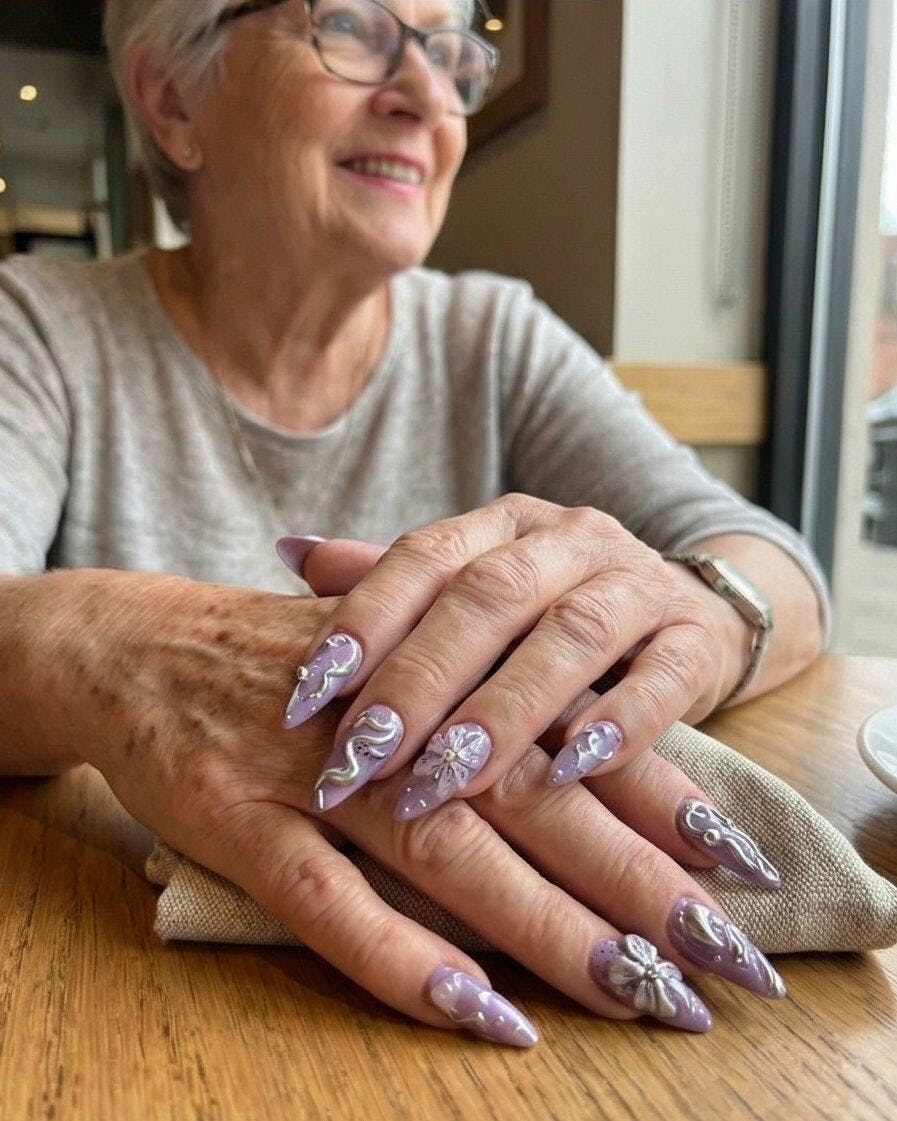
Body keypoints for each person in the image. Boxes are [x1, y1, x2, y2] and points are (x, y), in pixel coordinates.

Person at [0, 0, 827, 1046]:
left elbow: (772, 564)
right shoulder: (40, 325)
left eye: (450, 52)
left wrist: (685, 617)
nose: (428, 96)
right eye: (351, 25)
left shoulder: (493, 336)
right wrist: (129, 649)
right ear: (173, 101)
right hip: (105, 991)